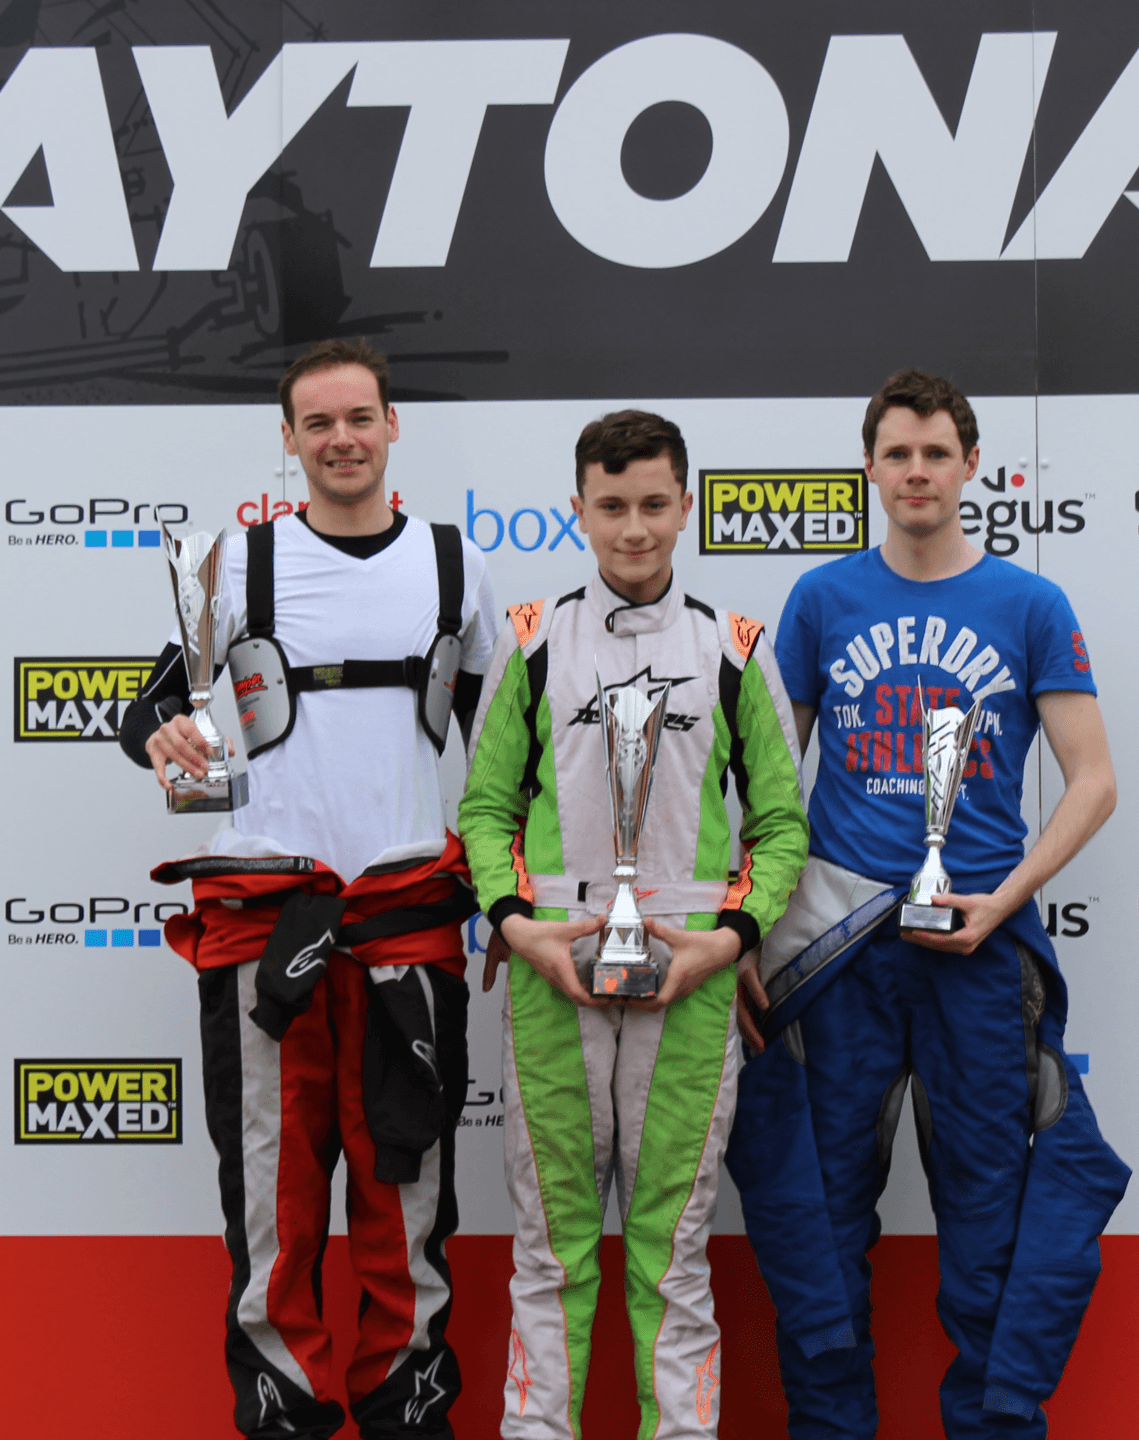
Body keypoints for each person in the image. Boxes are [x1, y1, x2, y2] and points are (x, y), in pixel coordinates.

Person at [729, 369, 1131, 1439]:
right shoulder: (821, 599)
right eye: (898, 453)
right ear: (869, 467)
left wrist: (1003, 903)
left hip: (977, 952)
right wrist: (744, 928)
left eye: (936, 453)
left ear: (970, 466)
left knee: (990, 1233)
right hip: (838, 952)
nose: (917, 471)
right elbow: (768, 786)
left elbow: (1093, 780)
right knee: (819, 1227)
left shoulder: (1029, 605)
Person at [118, 339, 498, 1440]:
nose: (342, 440)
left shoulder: (455, 564)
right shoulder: (233, 566)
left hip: (405, 928)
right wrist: (162, 737)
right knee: (272, 1205)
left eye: (359, 418)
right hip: (265, 927)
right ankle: (281, 1417)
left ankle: (406, 1409)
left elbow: (504, 752)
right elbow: (150, 710)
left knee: (405, 1197)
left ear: (392, 426)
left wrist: (518, 897)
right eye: (318, 423)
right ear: (287, 440)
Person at [456, 410, 810, 1439]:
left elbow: (781, 825)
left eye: (654, 504)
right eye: (611, 506)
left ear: (686, 506)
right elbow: (484, 810)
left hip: (690, 982)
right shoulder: (531, 640)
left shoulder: (734, 648)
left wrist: (730, 939)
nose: (635, 529)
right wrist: (513, 923)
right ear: (578, 509)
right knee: (551, 1251)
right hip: (553, 969)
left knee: (672, 1252)